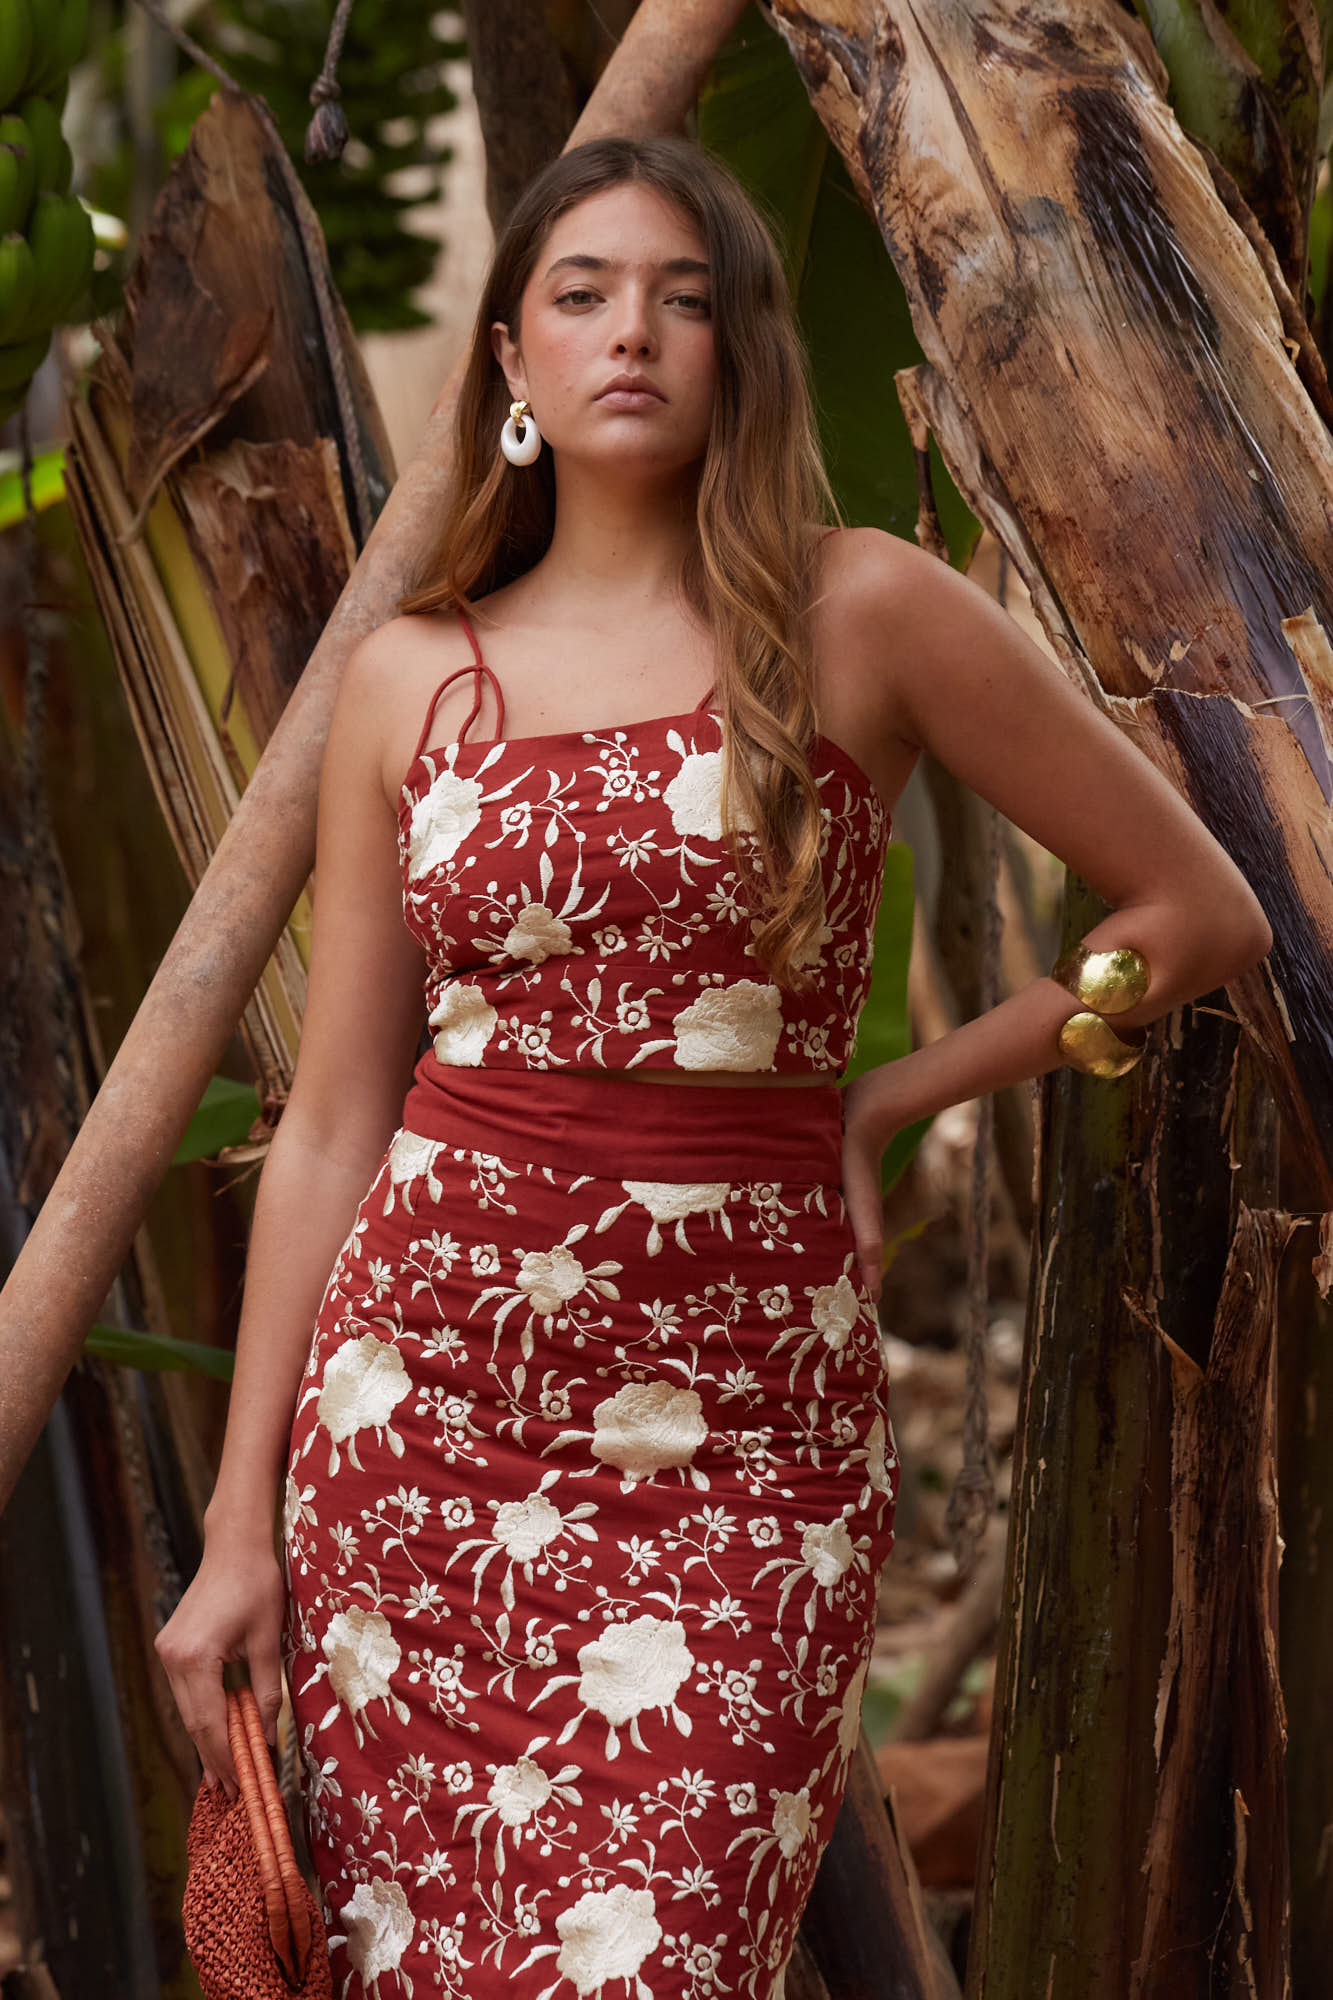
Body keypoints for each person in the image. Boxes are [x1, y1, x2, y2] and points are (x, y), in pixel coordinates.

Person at [154, 133, 1271, 1998]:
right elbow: (337, 1113)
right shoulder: (410, 674)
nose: (631, 334)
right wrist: (233, 1525)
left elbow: (1198, 911)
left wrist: (893, 1092)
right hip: (418, 1429)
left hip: (746, 1438)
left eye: (683, 300)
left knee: (662, 1952)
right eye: (582, 295)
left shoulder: (864, 611)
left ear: (744, 347)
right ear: (509, 358)